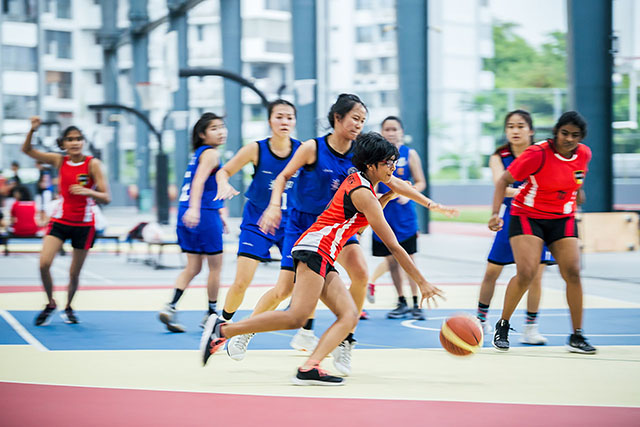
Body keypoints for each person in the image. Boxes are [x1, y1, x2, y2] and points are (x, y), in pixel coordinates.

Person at [201, 132, 456, 385]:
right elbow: (394, 246)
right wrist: (422, 282)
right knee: (296, 317)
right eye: (388, 162)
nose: (393, 167)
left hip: (321, 251)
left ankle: (309, 367)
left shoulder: (361, 181)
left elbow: (398, 187)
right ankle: (222, 331)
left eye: (393, 162)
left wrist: (429, 205)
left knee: (348, 315)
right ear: (372, 165)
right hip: (315, 250)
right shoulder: (364, 193)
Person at [226, 94, 370, 374]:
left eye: (363, 121)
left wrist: (425, 201)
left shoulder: (359, 154)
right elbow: (281, 177)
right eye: (355, 118)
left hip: (335, 226)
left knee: (361, 273)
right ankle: (245, 330)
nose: (358, 125)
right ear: (337, 118)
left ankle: (345, 341)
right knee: (285, 289)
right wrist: (273, 206)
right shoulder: (312, 147)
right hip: (303, 226)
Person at [489, 111, 596, 354]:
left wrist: (577, 192)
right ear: (556, 132)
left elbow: (576, 177)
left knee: (573, 272)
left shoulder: (584, 154)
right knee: (526, 273)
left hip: (563, 217)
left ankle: (577, 336)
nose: (569, 139)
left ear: (581, 138)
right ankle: (503, 323)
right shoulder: (537, 153)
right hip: (527, 214)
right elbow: (502, 181)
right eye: (564, 133)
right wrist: (495, 214)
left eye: (575, 135)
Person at [213, 99, 302, 347]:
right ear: (270, 120)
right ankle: (222, 322)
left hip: (291, 224)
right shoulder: (256, 149)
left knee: (290, 288)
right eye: (279, 116)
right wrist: (223, 183)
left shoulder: (304, 150)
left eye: (289, 117)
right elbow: (224, 171)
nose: (285, 122)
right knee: (242, 281)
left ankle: (245, 329)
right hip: (258, 222)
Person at [22, 117, 111, 325]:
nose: (75, 142)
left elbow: (107, 197)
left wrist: (88, 191)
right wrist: (32, 130)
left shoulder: (93, 164)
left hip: (84, 224)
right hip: (61, 221)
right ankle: (50, 302)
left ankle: (69, 306)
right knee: (44, 264)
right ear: (63, 144)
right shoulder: (59, 161)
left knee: (74, 273)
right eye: (70, 139)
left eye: (79, 138)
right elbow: (27, 150)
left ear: (83, 142)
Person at [477, 110, 553, 345]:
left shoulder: (542, 153)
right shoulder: (499, 156)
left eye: (520, 126)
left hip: (538, 218)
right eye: (510, 126)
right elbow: (502, 186)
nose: (515, 130)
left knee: (535, 275)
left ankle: (531, 327)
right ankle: (480, 320)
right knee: (492, 271)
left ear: (530, 130)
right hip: (512, 216)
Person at [158, 113, 227, 332]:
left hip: (186, 212)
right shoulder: (211, 154)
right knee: (215, 266)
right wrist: (197, 209)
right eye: (214, 128)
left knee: (193, 266)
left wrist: (220, 211)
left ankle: (170, 307)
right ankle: (211, 312)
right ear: (202, 134)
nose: (221, 131)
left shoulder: (197, 154)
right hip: (202, 214)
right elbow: (199, 182)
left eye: (222, 127)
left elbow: (208, 185)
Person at [370, 116, 427, 320]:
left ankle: (415, 301)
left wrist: (406, 193)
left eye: (395, 129)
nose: (391, 132)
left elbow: (420, 183)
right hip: (383, 214)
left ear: (401, 132)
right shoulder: (376, 156)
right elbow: (371, 182)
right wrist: (372, 195)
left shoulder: (409, 154)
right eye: (387, 129)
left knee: (409, 259)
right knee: (391, 261)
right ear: (382, 132)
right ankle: (401, 300)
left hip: (404, 217)